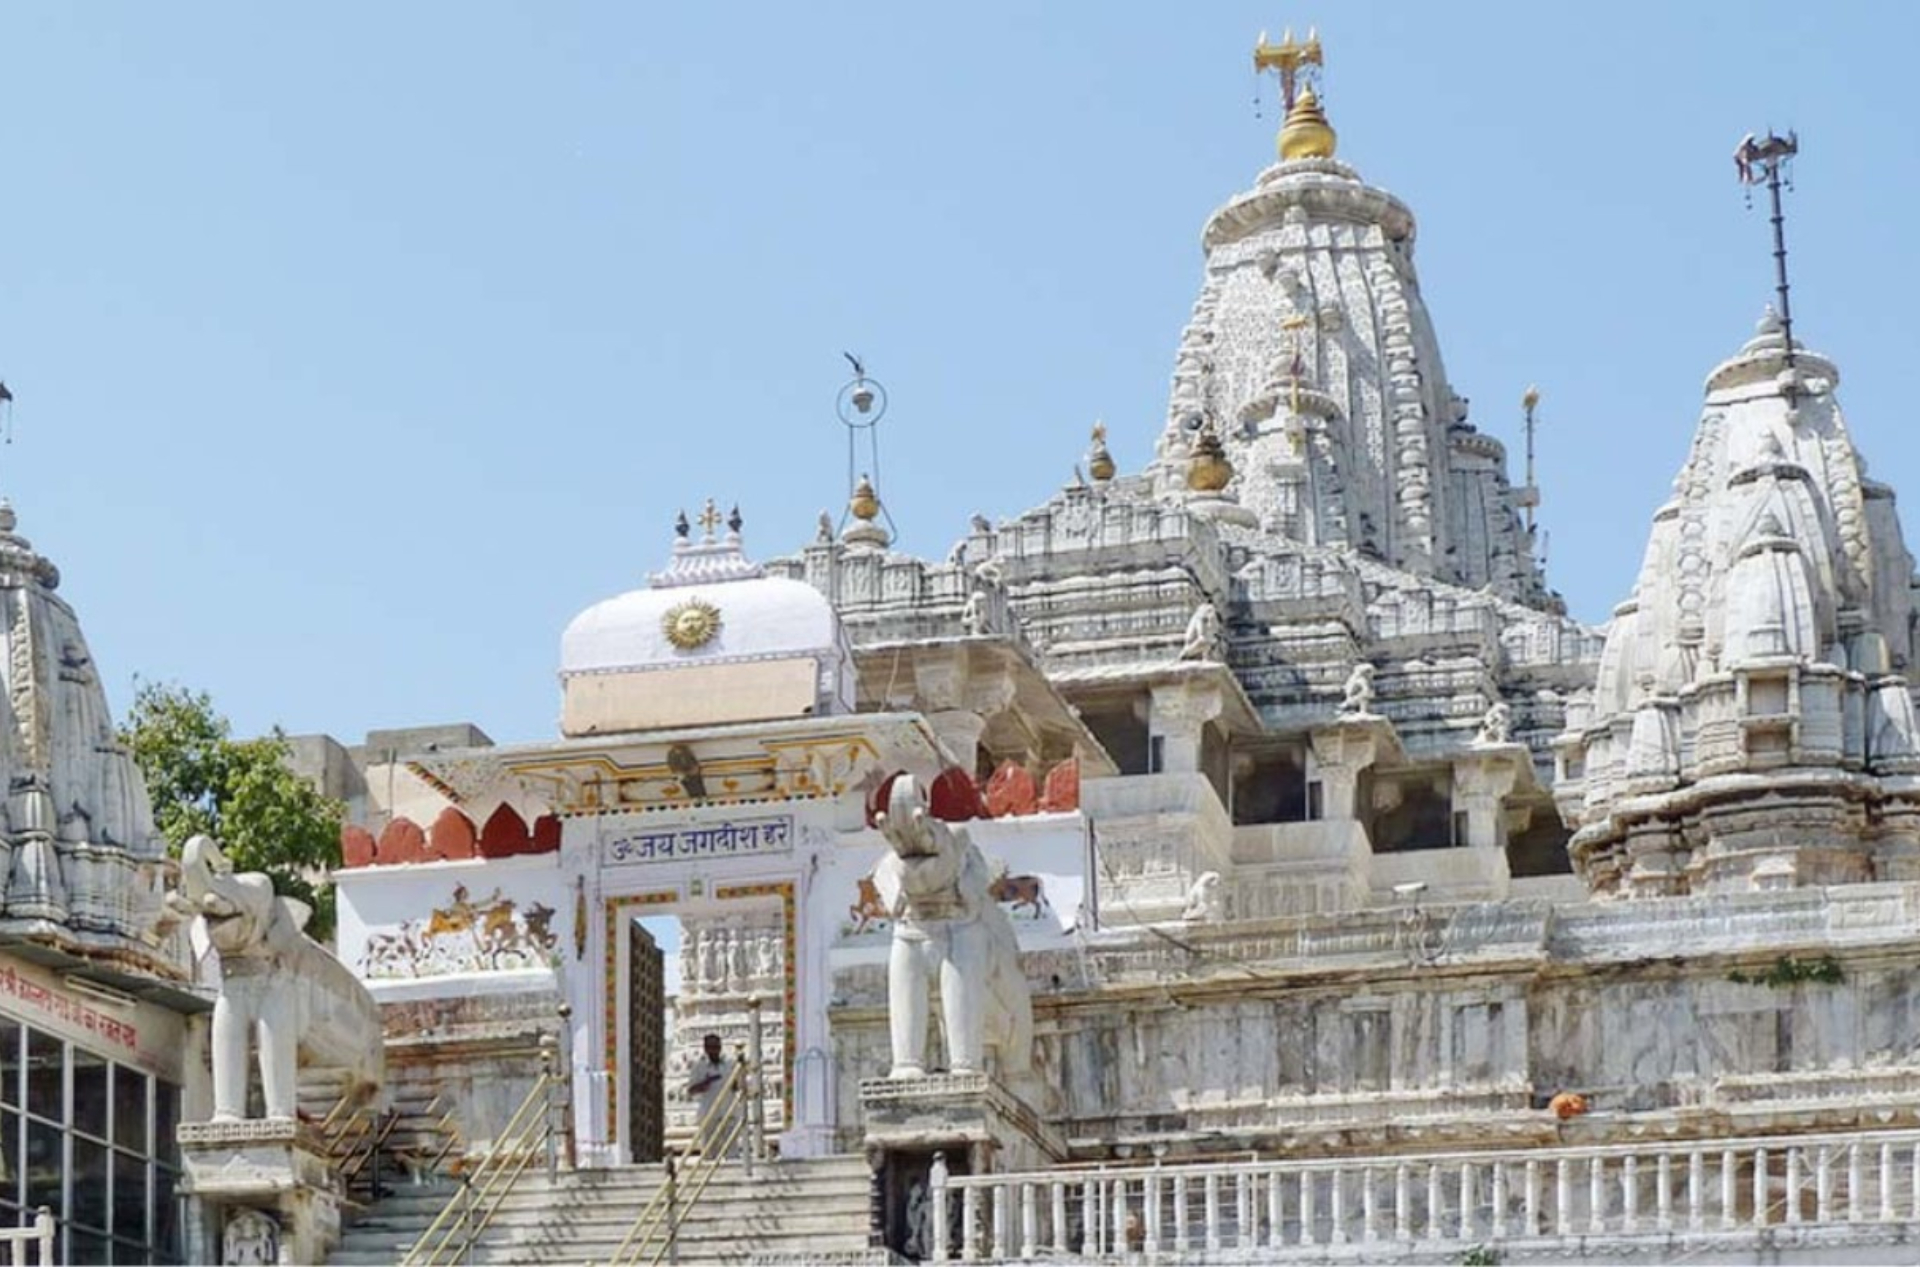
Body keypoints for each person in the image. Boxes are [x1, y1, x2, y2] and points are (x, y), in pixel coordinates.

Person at [684, 1033, 738, 1157]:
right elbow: (691, 1090)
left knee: (731, 1149)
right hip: (709, 1113)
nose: (714, 1050)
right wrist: (704, 1084)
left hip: (728, 1111)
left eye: (717, 1047)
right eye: (711, 1047)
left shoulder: (729, 1065)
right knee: (710, 1150)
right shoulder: (699, 1067)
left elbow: (736, 1085)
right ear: (705, 1048)